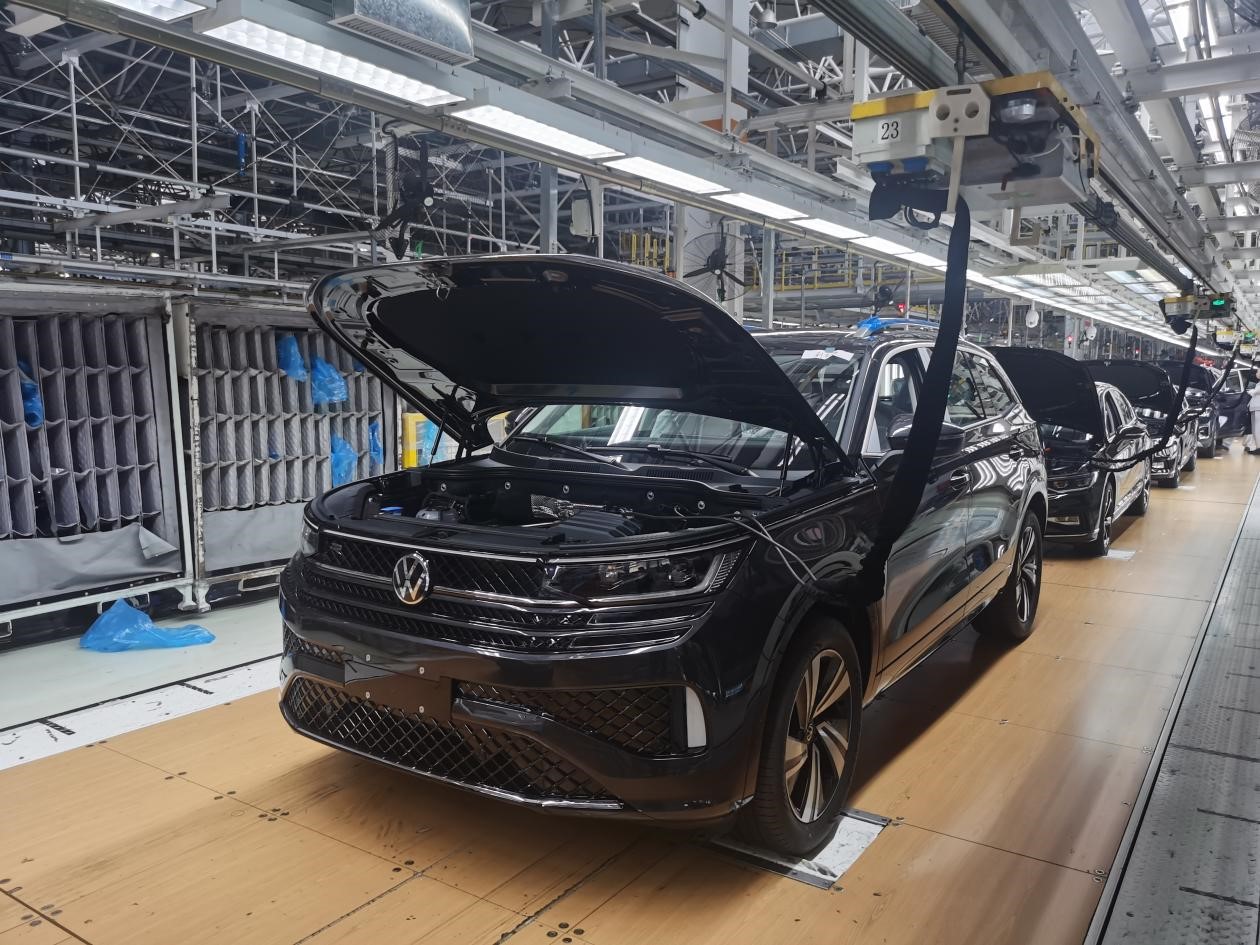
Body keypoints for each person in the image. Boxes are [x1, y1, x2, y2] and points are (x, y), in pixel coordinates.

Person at [1247, 383, 1260, 454]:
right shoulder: (1258, 383)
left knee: (1258, 429)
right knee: (1254, 429)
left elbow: (1256, 391)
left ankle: (1259, 447)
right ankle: (1257, 447)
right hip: (1254, 408)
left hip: (1258, 408)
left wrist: (1252, 391)